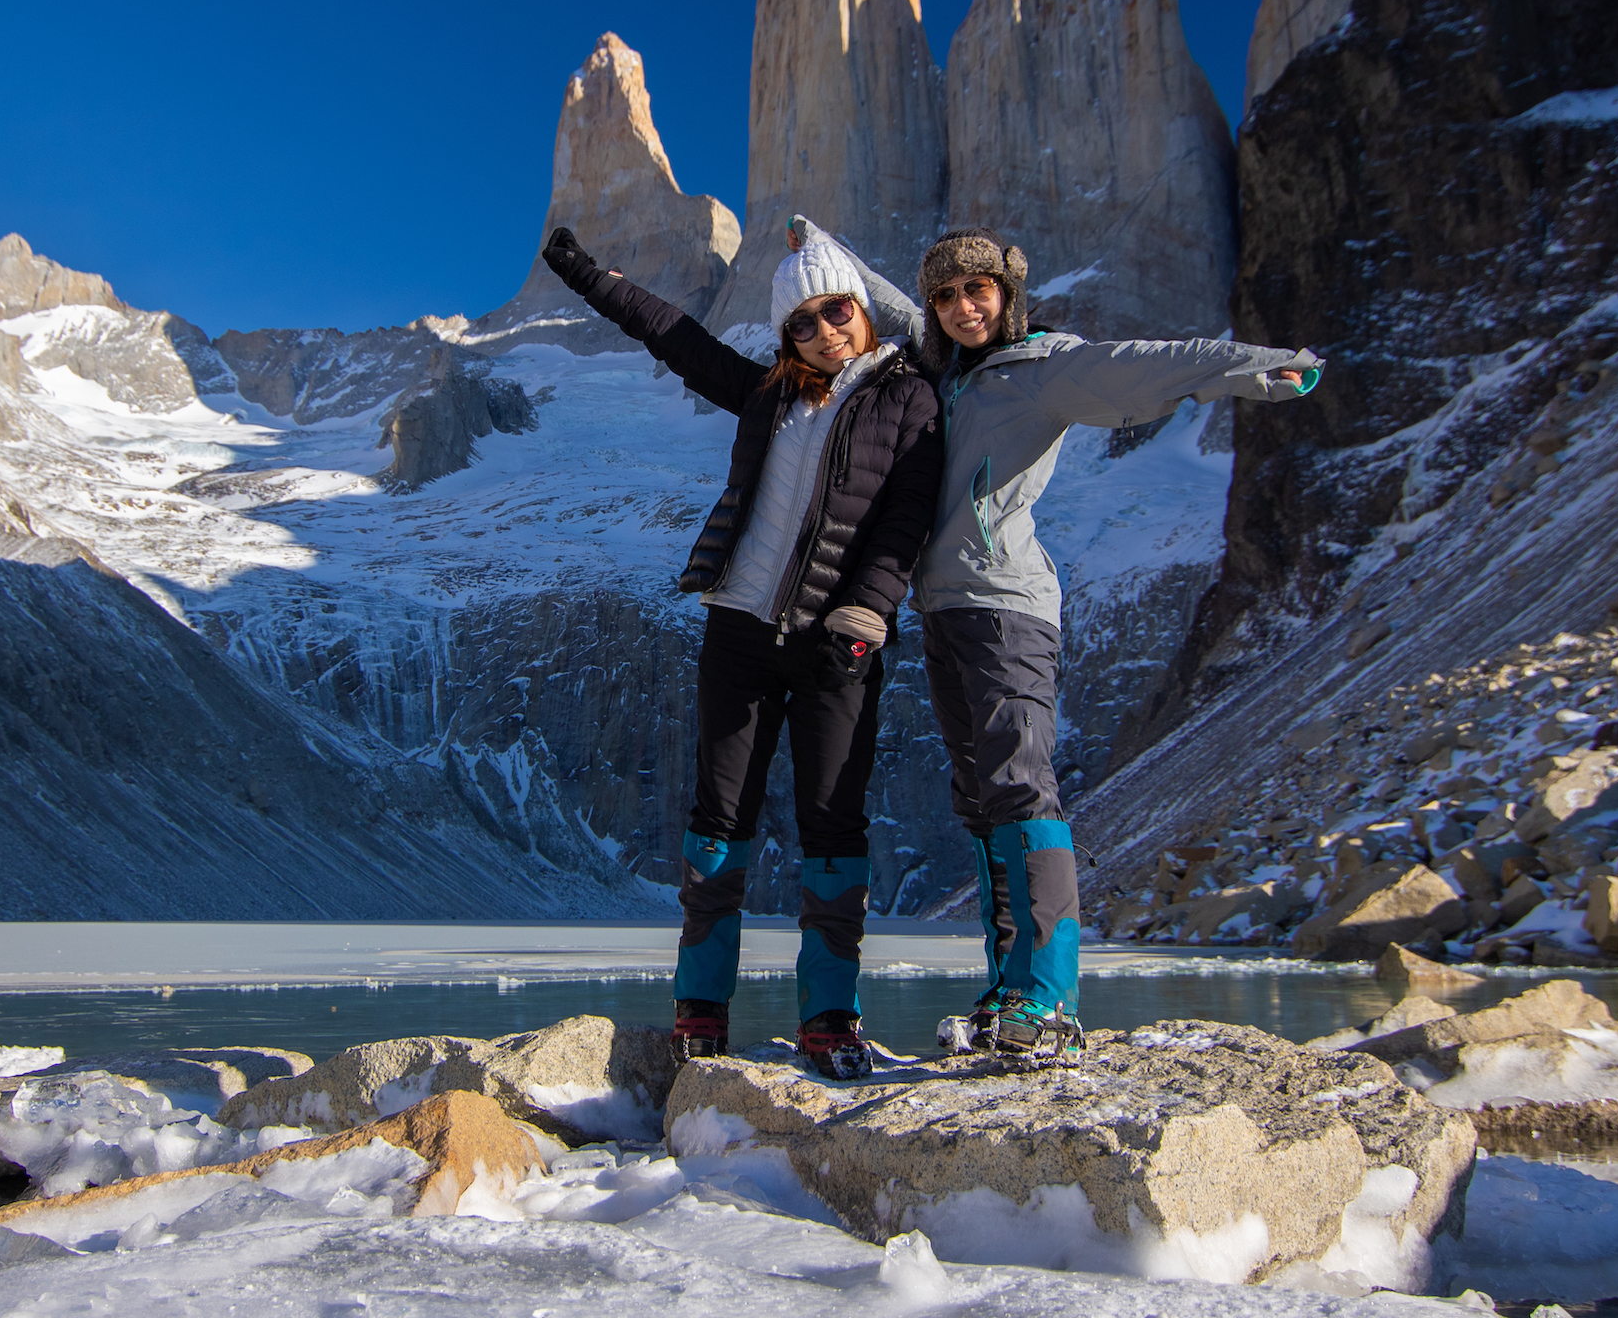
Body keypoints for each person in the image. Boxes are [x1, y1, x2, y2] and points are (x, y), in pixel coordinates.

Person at [540, 215, 941, 1079]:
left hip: (843, 645)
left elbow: (906, 518)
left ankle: (831, 1015)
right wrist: (589, 278)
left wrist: (868, 613)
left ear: (863, 307)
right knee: (718, 824)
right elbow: (677, 338)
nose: (824, 331)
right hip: (739, 630)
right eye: (803, 321)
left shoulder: (911, 398)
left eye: (837, 311)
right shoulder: (769, 392)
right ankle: (700, 1009)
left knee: (833, 825)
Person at [911, 228, 1323, 1061]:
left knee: (1022, 789)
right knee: (984, 801)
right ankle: (1006, 995)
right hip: (945, 611)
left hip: (1005, 606)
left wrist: (1250, 367)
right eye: (947, 296)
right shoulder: (953, 376)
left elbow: (1139, 365)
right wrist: (822, 252)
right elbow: (888, 305)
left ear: (1009, 293)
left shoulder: (1042, 366)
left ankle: (1052, 1000)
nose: (964, 308)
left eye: (979, 290)